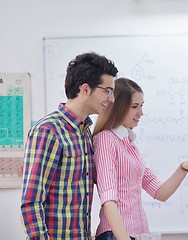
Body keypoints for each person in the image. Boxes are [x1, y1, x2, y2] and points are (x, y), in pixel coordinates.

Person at [92, 77, 188, 240]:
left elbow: (160, 193)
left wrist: (183, 168)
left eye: (141, 106)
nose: (141, 113)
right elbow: (108, 200)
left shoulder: (130, 146)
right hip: (116, 235)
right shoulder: (106, 139)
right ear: (118, 107)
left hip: (136, 234)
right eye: (134, 107)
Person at [20, 52, 118, 239]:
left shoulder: (85, 131)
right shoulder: (48, 130)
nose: (112, 99)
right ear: (85, 89)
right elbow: (31, 202)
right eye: (107, 90)